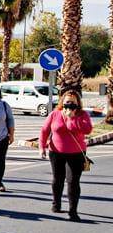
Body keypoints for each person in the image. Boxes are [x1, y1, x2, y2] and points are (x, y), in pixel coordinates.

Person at [40, 89, 93, 221]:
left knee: (73, 182)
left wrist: (72, 118)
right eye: (67, 101)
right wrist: (42, 147)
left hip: (76, 153)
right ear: (62, 102)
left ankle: (72, 211)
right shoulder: (55, 114)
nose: (69, 103)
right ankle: (56, 204)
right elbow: (44, 130)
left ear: (78, 103)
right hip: (56, 152)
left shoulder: (82, 115)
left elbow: (87, 130)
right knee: (57, 179)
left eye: (73, 102)